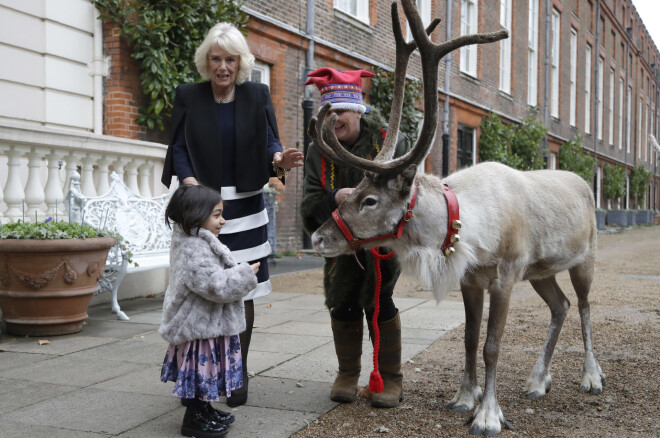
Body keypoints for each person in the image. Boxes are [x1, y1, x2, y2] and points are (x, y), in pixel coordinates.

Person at [161, 22, 303, 407]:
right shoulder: (188, 95)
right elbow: (178, 148)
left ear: (241, 63)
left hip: (245, 208)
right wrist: (191, 185)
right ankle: (196, 379)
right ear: (207, 61)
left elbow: (271, 140)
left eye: (230, 59)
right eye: (216, 58)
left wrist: (279, 158)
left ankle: (235, 376)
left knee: (244, 288)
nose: (223, 66)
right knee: (199, 290)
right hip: (202, 206)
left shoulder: (256, 94)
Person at [300, 68, 410, 408]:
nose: (334, 119)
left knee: (380, 302)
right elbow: (308, 205)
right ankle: (347, 373)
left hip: (380, 244)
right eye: (327, 112)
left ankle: (389, 378)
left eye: (341, 112)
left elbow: (405, 193)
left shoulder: (390, 140)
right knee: (342, 301)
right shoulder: (317, 149)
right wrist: (335, 197)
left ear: (358, 109)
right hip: (341, 245)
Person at [159, 184, 260, 438]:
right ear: (196, 214)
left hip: (203, 322)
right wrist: (244, 275)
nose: (223, 220)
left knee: (205, 374)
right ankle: (194, 420)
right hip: (197, 327)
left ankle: (204, 411)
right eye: (216, 214)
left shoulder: (195, 240)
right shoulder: (194, 249)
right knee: (198, 376)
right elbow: (215, 286)